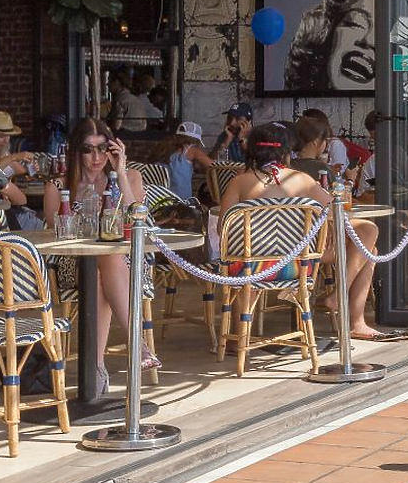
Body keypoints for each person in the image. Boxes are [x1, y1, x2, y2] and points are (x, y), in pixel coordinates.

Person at [219, 121, 394, 340]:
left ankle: (238, 337)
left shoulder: (239, 182)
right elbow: (336, 210)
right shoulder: (300, 180)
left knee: (367, 249)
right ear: (286, 152)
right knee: (368, 237)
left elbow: (223, 227)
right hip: (297, 265)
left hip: (251, 266)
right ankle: (350, 313)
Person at [41, 118, 153, 385]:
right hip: (74, 264)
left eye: (102, 149)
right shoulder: (58, 187)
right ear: (76, 151)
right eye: (88, 149)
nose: (96, 157)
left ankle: (96, 369)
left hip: (126, 263)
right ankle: (136, 344)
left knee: (105, 264)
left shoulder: (130, 178)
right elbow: (54, 237)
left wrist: (121, 172)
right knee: (102, 262)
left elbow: (136, 218)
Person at [162, 121, 220, 203]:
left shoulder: (166, 149)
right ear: (195, 141)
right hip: (181, 200)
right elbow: (214, 166)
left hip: (162, 197)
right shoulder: (192, 151)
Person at [0, 111, 40, 180]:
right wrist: (14, 157)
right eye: (1, 136)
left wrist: (31, 168)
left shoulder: (4, 152)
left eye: (8, 136)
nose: (6, 140)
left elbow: (19, 170)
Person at [290, 113, 338, 186]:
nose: (326, 144)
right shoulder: (322, 169)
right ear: (316, 141)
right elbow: (335, 191)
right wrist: (350, 180)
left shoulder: (288, 164)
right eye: (325, 140)